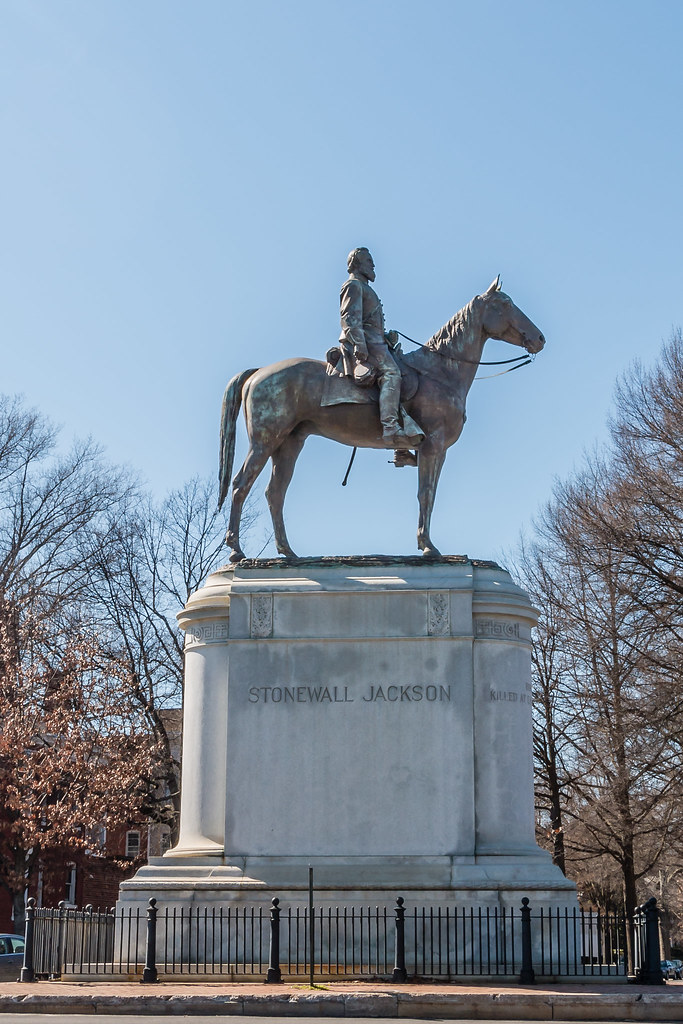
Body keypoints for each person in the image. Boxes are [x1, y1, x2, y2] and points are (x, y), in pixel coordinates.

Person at [339, 247, 415, 448]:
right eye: (368, 261)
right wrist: (360, 345)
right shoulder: (354, 285)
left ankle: (404, 439)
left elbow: (368, 322)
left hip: (377, 343)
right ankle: (390, 428)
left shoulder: (365, 287)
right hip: (366, 345)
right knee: (392, 373)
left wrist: (386, 337)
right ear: (357, 263)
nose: (373, 265)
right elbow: (349, 319)